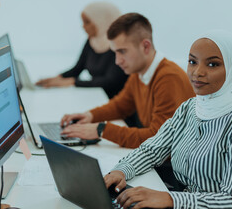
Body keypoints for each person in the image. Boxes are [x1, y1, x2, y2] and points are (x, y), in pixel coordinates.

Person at [103, 31, 232, 209]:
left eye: (213, 64)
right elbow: (151, 150)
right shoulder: (189, 107)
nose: (197, 72)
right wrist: (121, 170)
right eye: (192, 62)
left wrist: (171, 199)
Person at [60, 13, 195, 148]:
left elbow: (159, 140)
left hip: (171, 165)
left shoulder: (168, 78)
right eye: (115, 53)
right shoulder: (138, 72)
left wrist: (101, 130)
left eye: (122, 51)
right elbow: (121, 105)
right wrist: (89, 116)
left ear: (145, 46)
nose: (117, 61)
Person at [36, 2, 128, 99]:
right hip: (96, 98)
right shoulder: (91, 42)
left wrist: (73, 82)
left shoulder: (120, 46)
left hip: (117, 103)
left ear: (102, 21)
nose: (83, 26)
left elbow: (110, 81)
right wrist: (57, 78)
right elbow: (78, 68)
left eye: (87, 22)